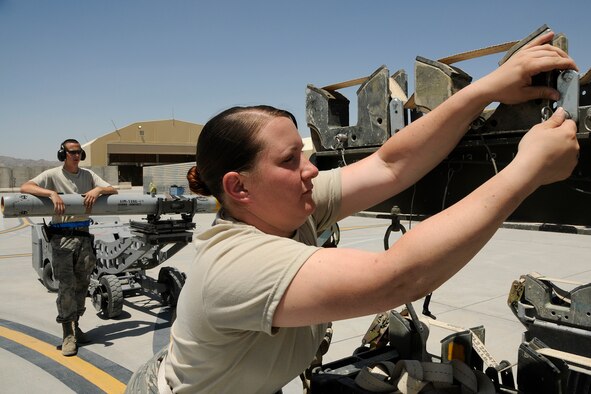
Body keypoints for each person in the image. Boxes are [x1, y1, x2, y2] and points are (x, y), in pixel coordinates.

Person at [126, 31, 579, 393]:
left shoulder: (285, 206)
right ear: (238, 187)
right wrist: (527, 170)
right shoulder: (233, 264)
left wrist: (485, 89)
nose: (310, 170)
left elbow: (390, 164)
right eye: (289, 161)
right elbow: (396, 277)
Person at [20, 139, 118, 356]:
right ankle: (68, 334)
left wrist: (99, 190)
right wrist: (51, 193)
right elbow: (25, 187)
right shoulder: (53, 175)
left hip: (83, 236)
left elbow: (114, 189)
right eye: (72, 152)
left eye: (79, 152)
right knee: (66, 287)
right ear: (63, 154)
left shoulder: (88, 176)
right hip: (62, 239)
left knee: (82, 284)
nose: (76, 155)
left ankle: (76, 325)